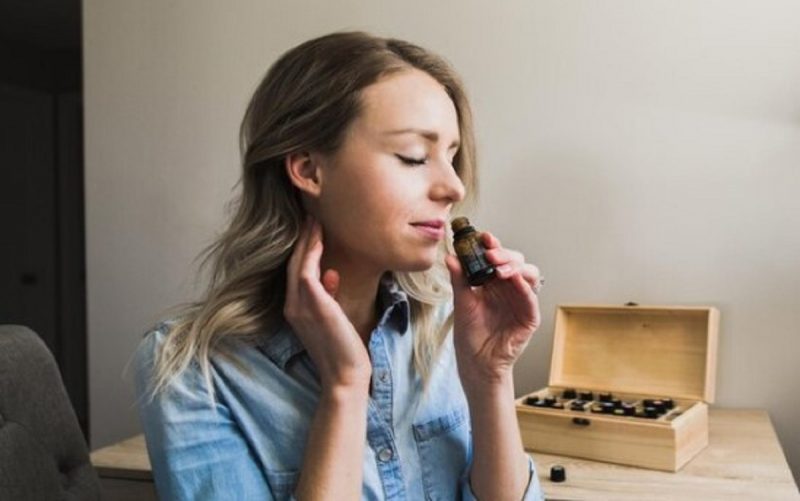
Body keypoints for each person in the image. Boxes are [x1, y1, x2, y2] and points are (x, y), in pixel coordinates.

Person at [133, 31, 545, 500]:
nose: (453, 187)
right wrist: (345, 387)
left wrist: (491, 376)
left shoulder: (451, 329)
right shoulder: (193, 371)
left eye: (451, 157)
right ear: (308, 170)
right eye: (414, 157)